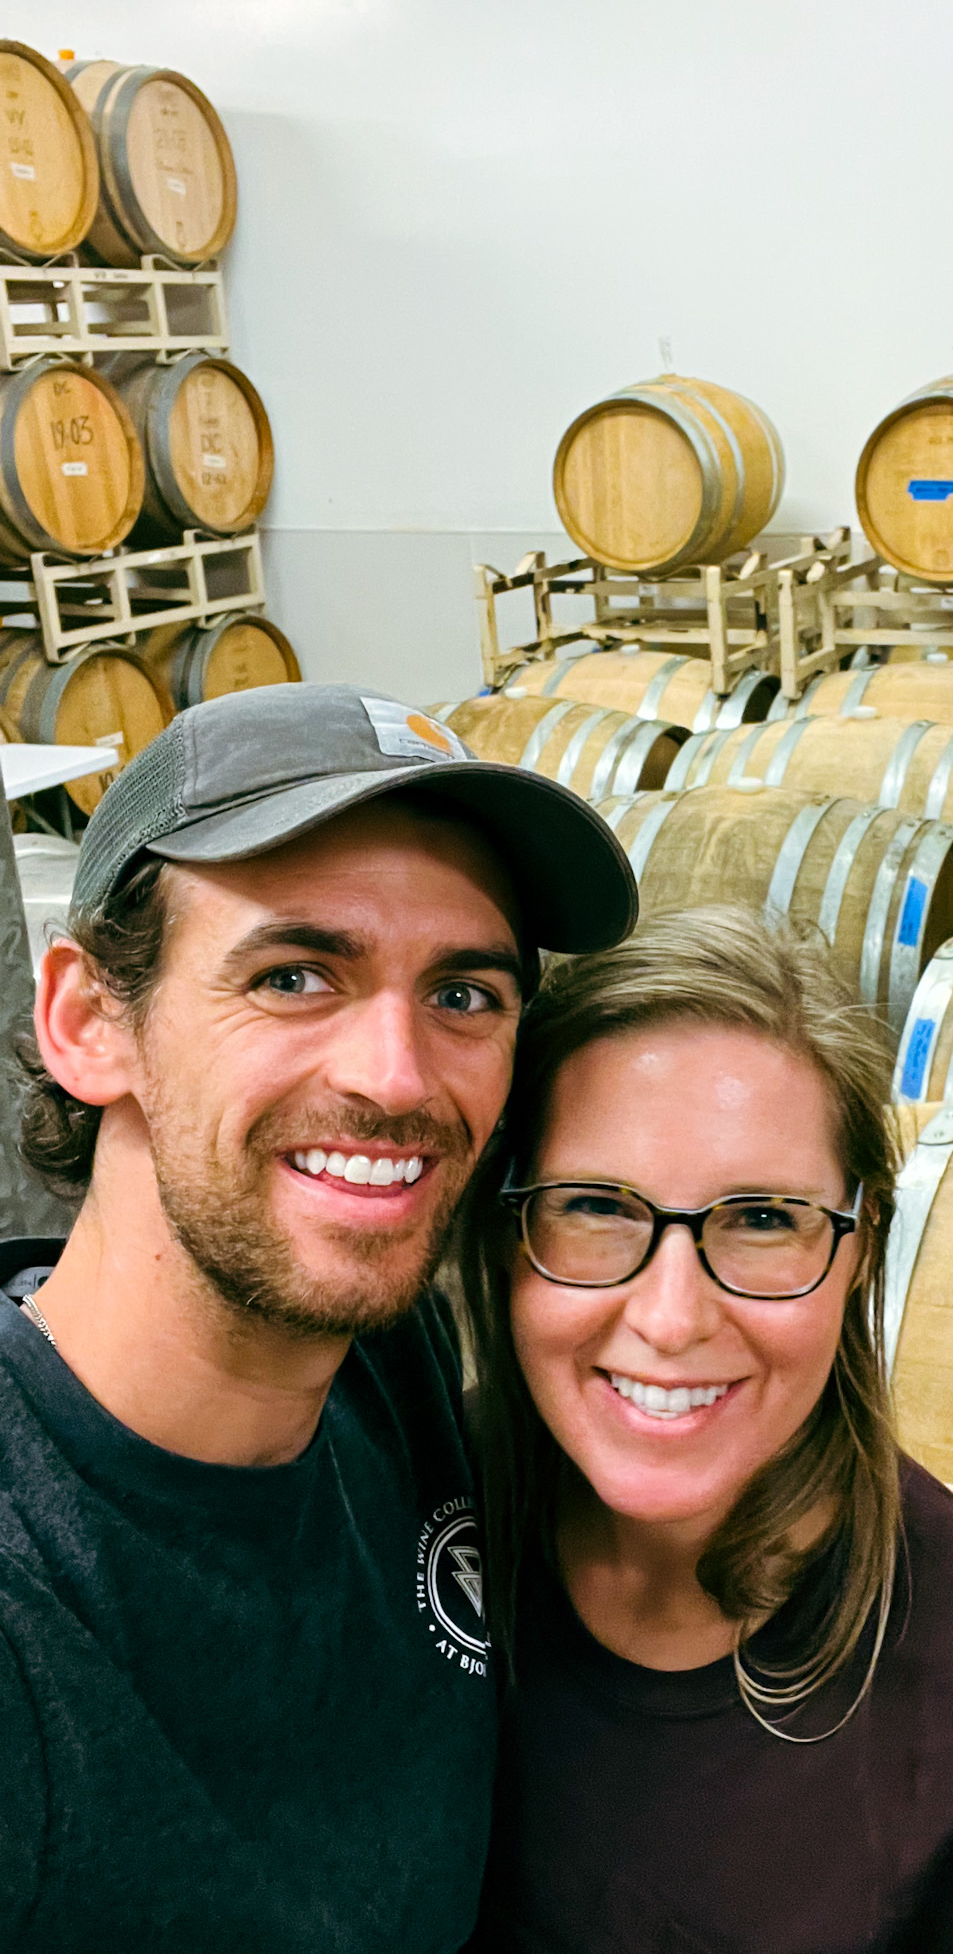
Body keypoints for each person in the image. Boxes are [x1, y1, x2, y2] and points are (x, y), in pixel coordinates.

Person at [0, 682, 636, 1952]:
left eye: (464, 995)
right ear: (87, 1021)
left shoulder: (396, 1366)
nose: (396, 1078)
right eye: (295, 975)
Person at [461, 905, 953, 1952]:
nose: (668, 1316)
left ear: (860, 1247)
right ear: (511, 1224)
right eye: (597, 1205)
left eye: (760, 1219)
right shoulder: (447, 1494)